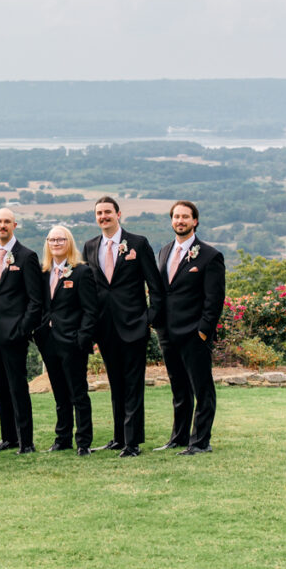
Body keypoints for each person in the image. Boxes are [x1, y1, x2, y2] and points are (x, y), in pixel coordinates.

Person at [82, 196, 164, 458]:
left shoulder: (137, 244)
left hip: (133, 326)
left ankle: (133, 442)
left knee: (132, 385)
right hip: (104, 328)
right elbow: (90, 289)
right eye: (99, 213)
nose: (103, 216)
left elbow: (156, 286)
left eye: (108, 212)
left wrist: (147, 319)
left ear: (119, 214)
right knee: (115, 384)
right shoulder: (90, 246)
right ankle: (118, 438)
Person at [150, 201, 225, 455]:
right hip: (167, 333)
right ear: (172, 221)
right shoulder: (163, 251)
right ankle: (179, 437)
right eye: (176, 216)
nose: (180, 220)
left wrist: (203, 330)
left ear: (195, 221)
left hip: (194, 334)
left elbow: (214, 299)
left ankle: (201, 441)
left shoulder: (209, 255)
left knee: (202, 389)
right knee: (178, 388)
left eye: (185, 217)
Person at [0, 208, 43, 455]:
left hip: (14, 332)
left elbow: (35, 300)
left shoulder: (26, 256)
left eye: (7, 221)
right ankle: (8, 437)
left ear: (15, 225)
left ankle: (26, 441)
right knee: (1, 386)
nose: (2, 225)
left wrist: (22, 330)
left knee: (17, 387)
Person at [41, 225, 98, 455]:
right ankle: (62, 438)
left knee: (78, 394)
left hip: (73, 342)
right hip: (49, 341)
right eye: (52, 239)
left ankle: (83, 441)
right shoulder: (42, 272)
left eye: (60, 239)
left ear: (69, 242)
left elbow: (90, 310)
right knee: (59, 394)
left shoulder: (81, 272)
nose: (56, 243)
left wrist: (81, 338)